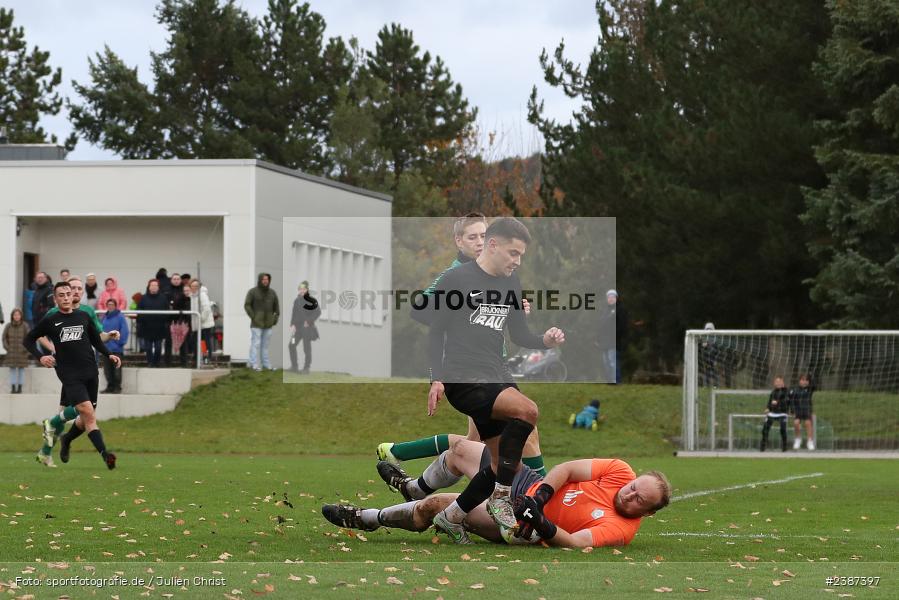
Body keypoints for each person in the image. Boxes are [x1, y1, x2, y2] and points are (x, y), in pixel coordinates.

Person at [426, 217, 565, 541]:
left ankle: (452, 515)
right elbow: (435, 333)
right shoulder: (456, 279)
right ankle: (502, 497)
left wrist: (545, 339)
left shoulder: (512, 284)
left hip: (496, 373)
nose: (517, 261)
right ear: (493, 245)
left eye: (521, 256)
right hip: (464, 377)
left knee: (502, 464)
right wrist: (436, 379)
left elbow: (520, 334)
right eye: (513, 253)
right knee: (528, 412)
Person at [379, 213, 547, 478]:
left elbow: (513, 326)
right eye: (473, 237)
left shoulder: (500, 276)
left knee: (478, 442)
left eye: (483, 235)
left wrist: (512, 308)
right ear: (459, 241)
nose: (479, 242)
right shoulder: (454, 275)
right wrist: (462, 322)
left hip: (494, 365)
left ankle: (414, 473)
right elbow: (420, 311)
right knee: (521, 429)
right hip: (468, 368)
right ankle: (537, 492)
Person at [324, 439, 671, 547]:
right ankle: (410, 486)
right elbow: (566, 469)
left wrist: (540, 521)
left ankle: (366, 518)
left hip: (521, 527)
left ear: (648, 512)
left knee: (438, 506)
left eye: (640, 499)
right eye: (635, 487)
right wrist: (540, 495)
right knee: (460, 450)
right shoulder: (620, 471)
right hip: (529, 484)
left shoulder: (622, 529)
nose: (630, 494)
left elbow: (578, 542)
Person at [23, 281, 120, 469]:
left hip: (90, 372)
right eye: (62, 294)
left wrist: (109, 354)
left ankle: (61, 439)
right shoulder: (51, 319)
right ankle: (105, 455)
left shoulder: (84, 315)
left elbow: (96, 340)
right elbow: (29, 339)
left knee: (86, 418)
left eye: (70, 293)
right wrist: (41, 357)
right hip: (69, 374)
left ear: (76, 294)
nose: (67, 297)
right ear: (56, 298)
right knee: (87, 413)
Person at [244, 272, 279, 371]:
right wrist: (253, 316)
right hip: (256, 324)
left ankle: (266, 364)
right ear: (260, 280)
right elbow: (247, 305)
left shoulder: (272, 293)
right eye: (263, 279)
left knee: (265, 345)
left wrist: (274, 319)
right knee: (256, 344)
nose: (265, 281)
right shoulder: (252, 292)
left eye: (267, 279)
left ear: (269, 280)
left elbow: (277, 308)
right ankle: (253, 364)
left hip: (268, 324)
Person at [288, 281, 320, 373]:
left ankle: (306, 368)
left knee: (306, 348)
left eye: (304, 289)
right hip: (297, 329)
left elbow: (317, 312)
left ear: (307, 290)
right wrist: (292, 324)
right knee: (291, 345)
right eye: (300, 289)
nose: (302, 290)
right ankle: (294, 367)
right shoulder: (296, 300)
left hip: (306, 328)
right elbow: (294, 314)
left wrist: (309, 321)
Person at [137, 280, 169, 367]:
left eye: (156, 285)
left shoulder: (163, 298)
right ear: (149, 287)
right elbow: (139, 311)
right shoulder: (143, 298)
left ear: (158, 287)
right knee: (148, 348)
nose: (154, 287)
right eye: (152, 285)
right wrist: (140, 323)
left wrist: (165, 323)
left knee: (158, 348)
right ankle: (150, 362)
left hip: (159, 327)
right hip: (147, 327)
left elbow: (167, 311)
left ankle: (156, 362)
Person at [597, 289, 626, 383]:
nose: (610, 299)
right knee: (606, 362)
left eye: (612, 297)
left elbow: (622, 325)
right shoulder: (604, 311)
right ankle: (609, 380)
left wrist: (617, 336)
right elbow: (600, 326)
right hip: (604, 341)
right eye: (609, 297)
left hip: (614, 341)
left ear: (616, 298)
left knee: (612, 361)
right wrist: (598, 338)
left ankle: (616, 380)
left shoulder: (620, 309)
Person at [100, 299, 129, 393]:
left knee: (116, 370)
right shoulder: (104, 317)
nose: (110, 306)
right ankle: (110, 387)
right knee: (107, 370)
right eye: (108, 304)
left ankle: (117, 387)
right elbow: (100, 330)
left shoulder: (120, 316)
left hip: (116, 349)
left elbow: (124, 330)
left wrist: (119, 343)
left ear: (115, 305)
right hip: (105, 349)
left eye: (112, 304)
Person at [3, 308, 30, 393]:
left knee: (21, 370)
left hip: (22, 353)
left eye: (18, 315)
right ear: (12, 316)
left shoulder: (25, 326)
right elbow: (4, 338)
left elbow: (29, 338)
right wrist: (7, 347)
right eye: (15, 315)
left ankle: (20, 388)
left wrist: (25, 349)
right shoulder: (8, 326)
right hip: (11, 353)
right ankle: (13, 387)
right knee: (13, 370)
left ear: (21, 316)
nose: (17, 316)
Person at [189, 279, 216, 364]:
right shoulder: (192, 295)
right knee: (196, 341)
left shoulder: (202, 295)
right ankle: (199, 358)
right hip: (197, 324)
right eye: (192, 286)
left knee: (204, 342)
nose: (194, 288)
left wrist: (201, 319)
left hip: (204, 324)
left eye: (196, 286)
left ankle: (206, 358)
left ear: (199, 287)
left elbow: (207, 309)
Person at [760, 375, 789, 452]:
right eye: (776, 382)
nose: (778, 383)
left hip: (782, 413)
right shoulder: (773, 392)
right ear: (774, 383)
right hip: (773, 413)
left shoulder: (786, 391)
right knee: (765, 428)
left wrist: (777, 402)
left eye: (779, 381)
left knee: (783, 428)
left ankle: (784, 446)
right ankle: (763, 445)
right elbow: (770, 402)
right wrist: (767, 408)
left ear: (783, 382)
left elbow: (787, 401)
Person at [790, 374, 815, 450]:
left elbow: (814, 384)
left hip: (807, 409)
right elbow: (792, 401)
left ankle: (810, 441)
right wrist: (792, 410)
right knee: (796, 423)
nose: (804, 382)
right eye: (802, 380)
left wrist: (810, 376)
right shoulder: (795, 390)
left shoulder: (810, 389)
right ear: (799, 381)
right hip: (798, 410)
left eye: (806, 380)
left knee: (808, 423)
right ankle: (798, 439)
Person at [171, 281, 192, 367]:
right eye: (185, 291)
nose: (186, 292)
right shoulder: (179, 299)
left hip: (192, 323)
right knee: (183, 343)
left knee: (192, 343)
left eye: (188, 290)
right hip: (183, 324)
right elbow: (175, 312)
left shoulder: (194, 299)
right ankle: (184, 362)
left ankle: (193, 360)